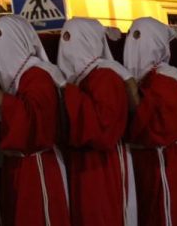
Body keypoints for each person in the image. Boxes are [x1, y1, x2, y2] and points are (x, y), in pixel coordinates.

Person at [0, 15, 70, 226]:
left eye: (4, 39)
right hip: (20, 166)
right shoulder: (19, 77)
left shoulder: (37, 75)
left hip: (39, 166)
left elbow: (33, 122)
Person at [56, 17, 138, 226]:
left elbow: (104, 132)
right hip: (85, 165)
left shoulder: (105, 76)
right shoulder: (84, 77)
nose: (67, 47)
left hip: (104, 164)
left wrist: (69, 91)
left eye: (71, 39)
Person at [123, 16, 177, 226]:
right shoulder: (149, 78)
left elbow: (159, 130)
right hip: (152, 168)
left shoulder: (166, 80)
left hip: (167, 167)